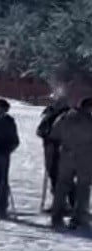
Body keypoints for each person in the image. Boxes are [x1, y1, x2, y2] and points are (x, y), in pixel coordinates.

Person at [49, 97, 92, 229]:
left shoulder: (65, 117)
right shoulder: (89, 120)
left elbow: (54, 134)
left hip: (66, 155)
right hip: (85, 157)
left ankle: (56, 215)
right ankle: (79, 217)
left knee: (62, 185)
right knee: (83, 187)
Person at [37, 96, 72, 213]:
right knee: (53, 176)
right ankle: (58, 203)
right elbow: (40, 130)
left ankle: (71, 204)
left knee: (66, 177)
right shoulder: (49, 114)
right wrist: (44, 133)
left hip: (64, 151)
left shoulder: (69, 115)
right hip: (50, 150)